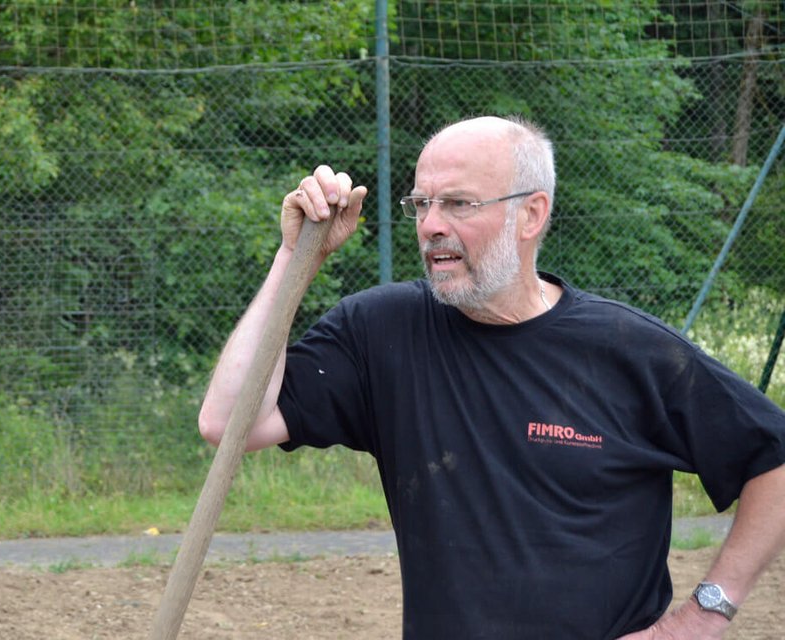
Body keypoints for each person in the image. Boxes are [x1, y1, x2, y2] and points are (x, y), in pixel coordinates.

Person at [198, 115, 785, 639]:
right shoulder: (383, 332)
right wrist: (295, 258)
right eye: (421, 204)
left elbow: (775, 458)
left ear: (531, 213)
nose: (430, 225)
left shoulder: (630, 351)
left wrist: (703, 617)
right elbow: (229, 422)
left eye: (458, 203)